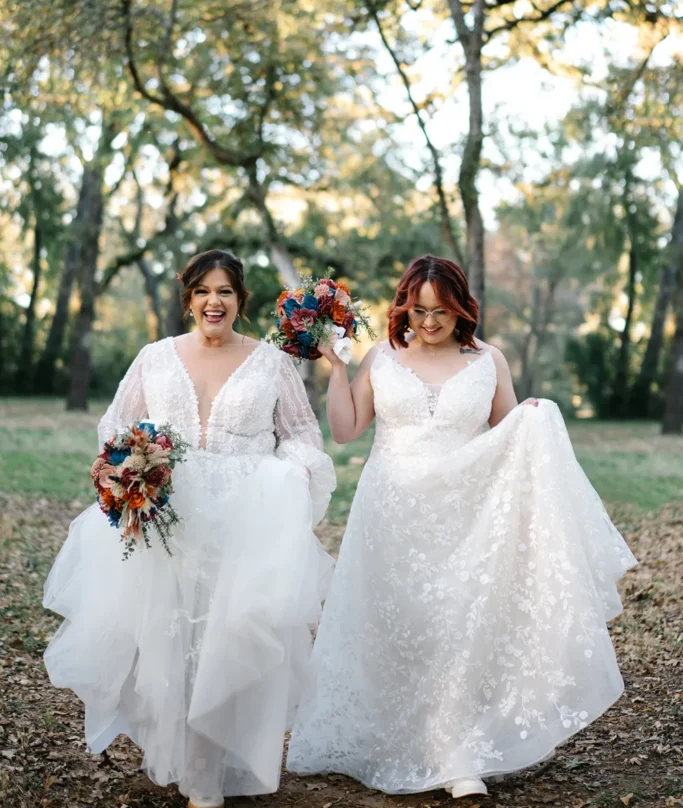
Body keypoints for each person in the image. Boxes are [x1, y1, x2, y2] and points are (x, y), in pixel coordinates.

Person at [288, 254, 636, 799]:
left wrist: (534, 418)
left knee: (459, 623)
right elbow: (347, 429)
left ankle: (457, 752)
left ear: (460, 309)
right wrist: (335, 365)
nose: (429, 323)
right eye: (419, 310)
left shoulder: (488, 359)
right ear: (405, 306)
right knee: (400, 624)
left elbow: (511, 436)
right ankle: (398, 737)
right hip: (392, 511)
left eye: (441, 312)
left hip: (466, 511)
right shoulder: (381, 356)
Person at [43, 249, 336, 808]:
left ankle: (206, 765)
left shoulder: (272, 363)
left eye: (225, 291)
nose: (214, 302)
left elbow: (302, 434)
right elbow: (116, 425)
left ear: (240, 300)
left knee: (229, 634)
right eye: (203, 291)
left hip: (247, 516)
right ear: (189, 300)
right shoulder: (155, 358)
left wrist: (291, 474)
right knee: (172, 638)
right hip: (169, 514)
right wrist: (126, 465)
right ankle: (177, 749)